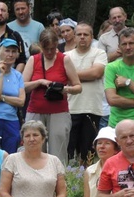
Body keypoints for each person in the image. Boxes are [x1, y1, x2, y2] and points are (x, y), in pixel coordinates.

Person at [23, 28, 82, 166]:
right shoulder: (34, 59)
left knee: (58, 151)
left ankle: (58, 181)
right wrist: (40, 82)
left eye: (52, 48)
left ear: (57, 44)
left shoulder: (64, 60)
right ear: (40, 46)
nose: (49, 52)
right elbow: (22, 86)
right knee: (34, 149)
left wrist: (63, 89)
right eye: (46, 48)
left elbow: (78, 87)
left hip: (59, 112)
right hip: (35, 110)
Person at [66, 23, 108, 165]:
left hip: (92, 108)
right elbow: (61, 76)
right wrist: (86, 75)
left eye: (86, 34)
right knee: (69, 151)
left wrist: (71, 75)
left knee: (88, 152)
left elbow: (96, 73)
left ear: (92, 37)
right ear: (74, 37)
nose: (82, 37)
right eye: (79, 34)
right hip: (70, 108)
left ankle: (85, 181)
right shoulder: (66, 56)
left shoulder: (100, 54)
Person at [0, 39, 25, 154]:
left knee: (11, 154)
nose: (10, 54)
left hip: (12, 120)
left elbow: (21, 101)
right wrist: (1, 74)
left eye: (13, 51)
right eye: (7, 51)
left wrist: (2, 98)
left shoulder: (18, 75)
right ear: (0, 52)